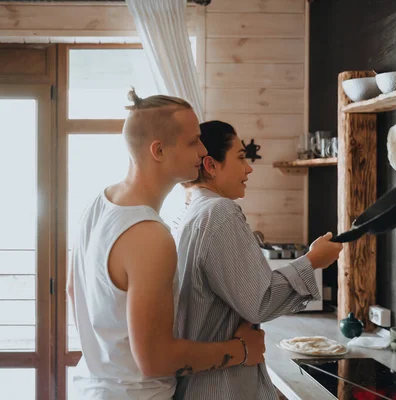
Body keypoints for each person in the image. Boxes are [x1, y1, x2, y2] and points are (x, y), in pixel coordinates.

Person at [67, 92, 266, 400]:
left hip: (91, 387)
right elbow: (155, 360)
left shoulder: (99, 203)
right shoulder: (148, 235)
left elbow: (73, 291)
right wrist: (240, 350)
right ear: (158, 150)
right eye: (193, 142)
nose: (202, 151)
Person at [173, 120, 343, 400]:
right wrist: (313, 261)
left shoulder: (190, 214)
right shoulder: (220, 212)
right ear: (211, 165)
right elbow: (260, 302)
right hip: (220, 388)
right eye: (241, 158)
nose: (249, 168)